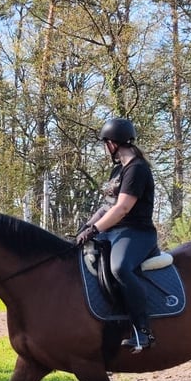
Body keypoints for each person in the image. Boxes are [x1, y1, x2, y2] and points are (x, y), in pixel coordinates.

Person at [76, 117, 158, 353]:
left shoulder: (137, 169)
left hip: (136, 233)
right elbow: (106, 207)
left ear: (112, 143)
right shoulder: (118, 170)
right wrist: (86, 227)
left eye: (105, 143)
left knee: (119, 268)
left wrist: (95, 229)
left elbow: (122, 209)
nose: (104, 148)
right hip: (112, 231)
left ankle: (143, 331)